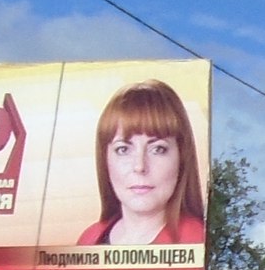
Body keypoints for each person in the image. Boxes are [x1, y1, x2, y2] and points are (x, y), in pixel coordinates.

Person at [74, 79, 208, 247]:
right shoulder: (89, 239)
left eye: (158, 149)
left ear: (181, 157)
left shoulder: (200, 243)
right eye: (123, 149)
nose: (139, 166)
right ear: (105, 160)